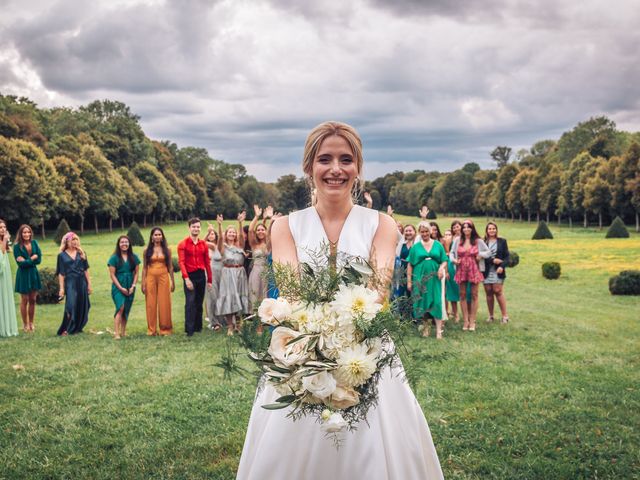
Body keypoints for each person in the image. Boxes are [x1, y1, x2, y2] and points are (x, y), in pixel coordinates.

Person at [237, 121, 443, 479]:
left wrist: (343, 341)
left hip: (368, 355)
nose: (335, 169)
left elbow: (378, 292)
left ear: (358, 168)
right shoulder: (285, 226)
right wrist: (318, 345)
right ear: (308, 167)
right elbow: (292, 293)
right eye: (325, 159)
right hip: (300, 354)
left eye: (346, 159)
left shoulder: (382, 225)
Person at [407, 221, 448, 339]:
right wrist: (409, 281)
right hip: (420, 277)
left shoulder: (438, 245)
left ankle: (439, 331)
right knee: (423, 302)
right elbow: (410, 264)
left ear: (430, 231)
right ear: (419, 233)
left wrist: (441, 268)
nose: (424, 234)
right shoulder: (415, 247)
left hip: (435, 277)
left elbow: (444, 260)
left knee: (436, 301)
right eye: (422, 231)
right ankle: (426, 328)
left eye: (426, 231)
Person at [450, 220, 490, 331]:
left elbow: (488, 252)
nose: (466, 229)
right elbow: (452, 253)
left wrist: (480, 255)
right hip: (461, 268)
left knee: (474, 295)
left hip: (474, 269)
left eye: (469, 227)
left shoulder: (478, 241)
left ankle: (472, 320)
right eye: (464, 227)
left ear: (472, 229)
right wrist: (453, 260)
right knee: (462, 295)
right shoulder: (458, 240)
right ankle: (466, 320)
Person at [216, 212, 250, 335]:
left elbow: (242, 235)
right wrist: (219, 225)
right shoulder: (222, 246)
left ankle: (239, 325)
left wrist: (240, 223)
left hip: (240, 273)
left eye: (233, 232)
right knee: (229, 298)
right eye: (230, 232)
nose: (232, 234)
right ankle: (230, 326)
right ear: (226, 234)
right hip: (228, 273)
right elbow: (219, 238)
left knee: (240, 298)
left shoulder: (239, 245)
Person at [177, 218, 212, 337]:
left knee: (199, 301)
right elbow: (181, 262)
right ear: (189, 228)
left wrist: (210, 280)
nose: (196, 229)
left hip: (201, 275)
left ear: (200, 229)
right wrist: (186, 278)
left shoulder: (203, 244)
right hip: (190, 275)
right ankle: (189, 329)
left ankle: (198, 327)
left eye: (198, 227)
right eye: (193, 227)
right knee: (190, 302)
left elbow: (207, 262)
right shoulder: (183, 244)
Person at [141, 227, 175, 336]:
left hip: (163, 276)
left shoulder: (167, 250)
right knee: (150, 303)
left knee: (164, 302)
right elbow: (144, 267)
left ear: (162, 236)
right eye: (155, 235)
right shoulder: (146, 250)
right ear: (152, 237)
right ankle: (151, 329)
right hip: (150, 276)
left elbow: (170, 267)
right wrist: (143, 283)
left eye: (159, 234)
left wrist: (173, 281)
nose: (158, 237)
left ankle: (165, 329)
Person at [56, 232, 91, 336]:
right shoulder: (61, 256)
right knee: (70, 306)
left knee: (84, 305)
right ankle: (67, 328)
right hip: (70, 283)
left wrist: (89, 284)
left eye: (76, 239)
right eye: (72, 240)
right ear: (67, 241)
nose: (75, 242)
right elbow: (61, 274)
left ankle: (77, 327)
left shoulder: (82, 253)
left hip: (82, 282)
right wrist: (61, 289)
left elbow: (86, 270)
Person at [107, 235, 140, 339]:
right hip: (118, 285)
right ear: (118, 244)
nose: (124, 244)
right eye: (122, 242)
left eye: (126, 242)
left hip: (130, 285)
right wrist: (120, 288)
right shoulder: (114, 258)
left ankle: (123, 332)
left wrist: (133, 286)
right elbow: (112, 275)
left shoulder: (134, 257)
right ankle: (116, 333)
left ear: (129, 244)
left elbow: (136, 273)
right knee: (120, 307)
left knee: (126, 309)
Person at [247, 205, 272, 334]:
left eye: (263, 229)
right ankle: (257, 326)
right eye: (259, 230)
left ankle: (265, 323)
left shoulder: (268, 243)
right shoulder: (254, 243)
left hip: (267, 274)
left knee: (265, 298)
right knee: (256, 298)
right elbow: (251, 229)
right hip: (256, 273)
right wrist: (256, 217)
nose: (260, 231)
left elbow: (270, 231)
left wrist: (269, 219)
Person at [13, 224, 42, 332]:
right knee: (24, 300)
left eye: (28, 232)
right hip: (23, 275)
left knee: (33, 299)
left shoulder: (35, 243)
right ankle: (25, 324)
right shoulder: (17, 246)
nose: (26, 234)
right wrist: (32, 258)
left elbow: (39, 260)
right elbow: (21, 265)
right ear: (21, 234)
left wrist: (26, 260)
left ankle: (31, 323)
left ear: (31, 233)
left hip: (33, 273)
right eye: (24, 232)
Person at [483, 222, 510, 324]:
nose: (492, 230)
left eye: (493, 228)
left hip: (498, 270)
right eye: (489, 229)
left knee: (497, 291)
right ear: (487, 230)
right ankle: (491, 316)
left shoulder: (502, 241)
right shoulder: (483, 242)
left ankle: (505, 316)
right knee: (489, 292)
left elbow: (507, 257)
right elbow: (482, 256)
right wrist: (492, 260)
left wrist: (502, 266)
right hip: (486, 270)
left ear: (496, 230)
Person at [0, 219, 18, 337]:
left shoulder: (4, 241)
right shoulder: (3, 240)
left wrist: (7, 241)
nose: (3, 229)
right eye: (0, 227)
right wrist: (5, 240)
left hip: (5, 272)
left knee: (5, 295)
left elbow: (8, 251)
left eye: (4, 227)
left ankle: (7, 325)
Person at [204, 225, 224, 331]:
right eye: (209, 234)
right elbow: (201, 241)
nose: (211, 235)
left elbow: (222, 237)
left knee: (221, 296)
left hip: (222, 273)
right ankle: (213, 321)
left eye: (213, 233)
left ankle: (221, 319)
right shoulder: (207, 246)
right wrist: (208, 231)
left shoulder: (221, 246)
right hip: (210, 273)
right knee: (211, 296)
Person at [442, 229, 460, 322]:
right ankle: (448, 312)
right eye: (446, 234)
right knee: (446, 293)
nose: (447, 236)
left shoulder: (455, 243)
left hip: (455, 268)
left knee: (456, 291)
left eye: (449, 234)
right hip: (446, 269)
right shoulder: (442, 244)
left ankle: (455, 313)